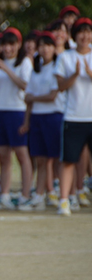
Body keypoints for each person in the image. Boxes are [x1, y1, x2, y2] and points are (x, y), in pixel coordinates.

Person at [0, 27, 34, 210]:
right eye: (5, 45)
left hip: (17, 111)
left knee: (22, 155)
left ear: (18, 45)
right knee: (3, 156)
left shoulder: (24, 63)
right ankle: (4, 194)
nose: (8, 48)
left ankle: (25, 195)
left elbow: (25, 86)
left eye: (12, 44)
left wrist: (6, 69)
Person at [20, 31, 62, 210]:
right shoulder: (35, 70)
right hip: (37, 117)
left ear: (54, 48)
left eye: (48, 45)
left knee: (56, 159)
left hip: (53, 115)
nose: (45, 49)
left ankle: (62, 193)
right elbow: (27, 98)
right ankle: (39, 195)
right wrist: (27, 121)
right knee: (41, 160)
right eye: (41, 46)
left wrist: (33, 98)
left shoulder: (57, 68)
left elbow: (52, 96)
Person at [54, 17, 92, 216]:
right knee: (68, 160)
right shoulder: (65, 58)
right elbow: (60, 87)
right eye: (81, 32)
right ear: (74, 35)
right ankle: (64, 201)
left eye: (88, 31)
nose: (85, 36)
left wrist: (89, 73)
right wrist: (76, 75)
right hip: (73, 117)